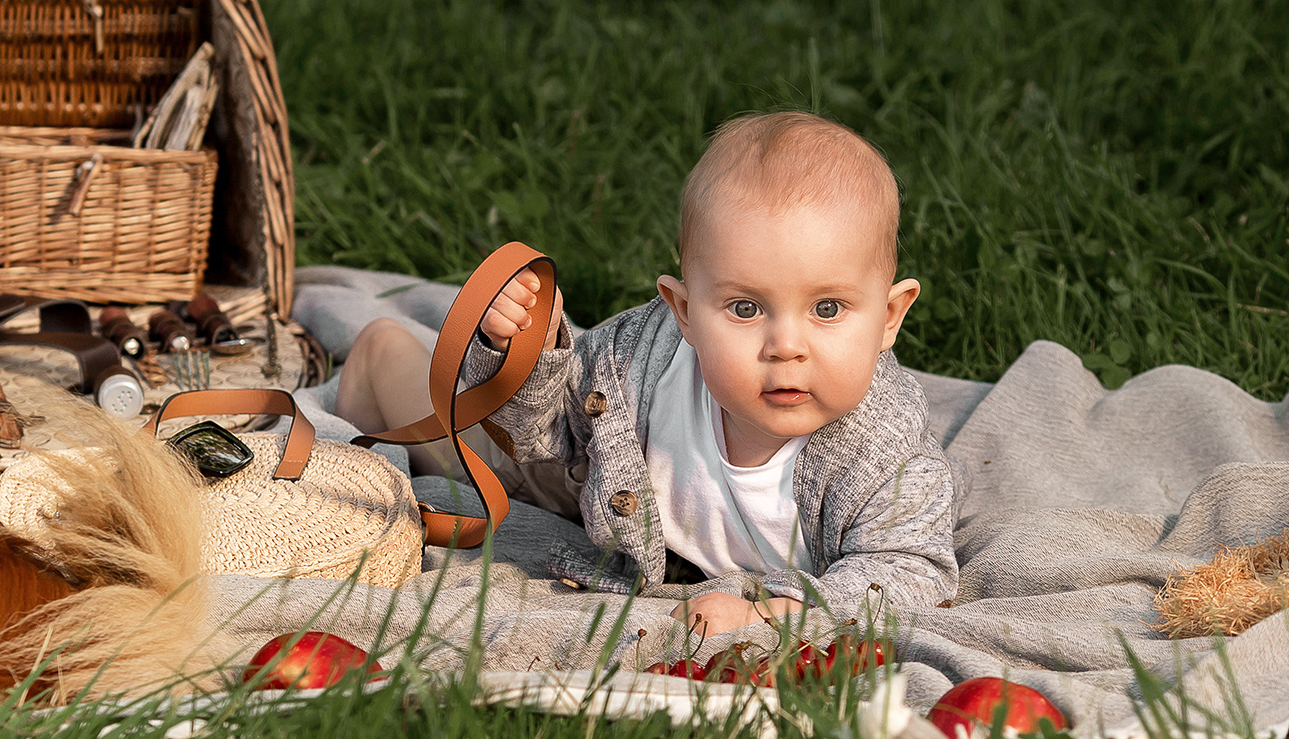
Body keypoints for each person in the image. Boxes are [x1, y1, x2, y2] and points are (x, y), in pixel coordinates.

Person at [333, 110, 956, 634]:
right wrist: (525, 347)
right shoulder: (640, 362)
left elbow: (911, 570)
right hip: (577, 474)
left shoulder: (886, 454)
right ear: (684, 311)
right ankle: (377, 359)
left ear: (889, 318)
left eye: (828, 309)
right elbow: (544, 427)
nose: (786, 346)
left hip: (626, 526)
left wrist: (782, 616)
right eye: (745, 308)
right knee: (463, 454)